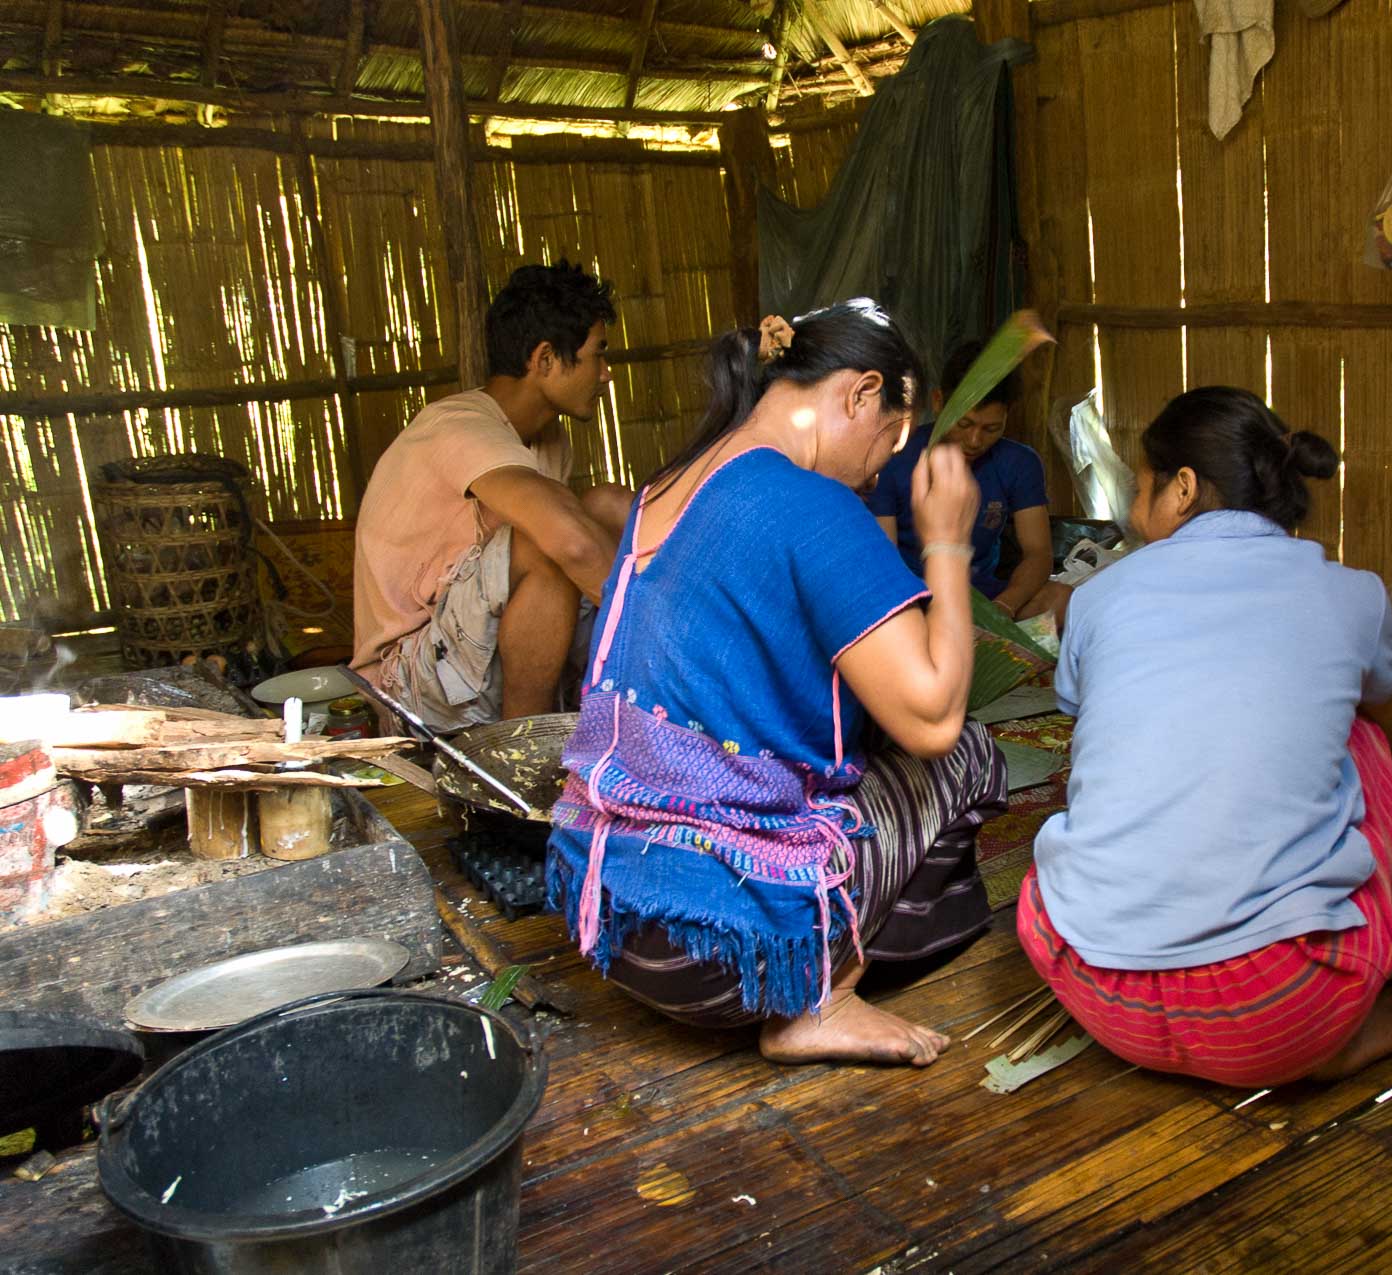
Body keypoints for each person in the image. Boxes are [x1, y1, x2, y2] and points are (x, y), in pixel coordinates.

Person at [545, 303, 1007, 1067]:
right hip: (725, 954)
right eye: (889, 438)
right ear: (860, 394)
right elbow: (932, 716)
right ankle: (820, 997)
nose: (882, 467)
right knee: (968, 754)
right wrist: (950, 541)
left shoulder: (669, 484)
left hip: (615, 919)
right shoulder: (810, 503)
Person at [1014, 386, 1392, 1088]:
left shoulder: (1094, 599)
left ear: (1182, 488)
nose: (1131, 506)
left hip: (1096, 987)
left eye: (1141, 485)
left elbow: (1085, 709)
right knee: (1363, 737)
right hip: (1284, 1007)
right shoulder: (1353, 594)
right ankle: (1331, 1038)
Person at [352, 260, 635, 730]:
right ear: (545, 359)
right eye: (597, 354)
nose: (606, 374)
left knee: (606, 506)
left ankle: (629, 709)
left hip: (473, 657)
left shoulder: (548, 441)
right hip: (405, 682)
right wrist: (670, 638)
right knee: (546, 540)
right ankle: (523, 755)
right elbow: (571, 543)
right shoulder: (459, 426)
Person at [869, 341, 1068, 620]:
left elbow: (1038, 553)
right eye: (964, 424)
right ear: (938, 402)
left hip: (983, 598)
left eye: (991, 428)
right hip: (911, 597)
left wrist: (1004, 607)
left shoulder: (1019, 463)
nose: (975, 441)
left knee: (1060, 599)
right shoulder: (896, 456)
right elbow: (883, 560)